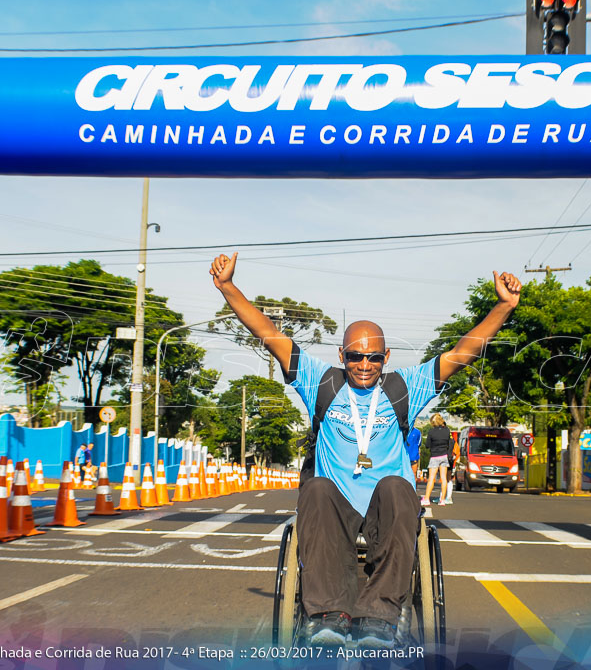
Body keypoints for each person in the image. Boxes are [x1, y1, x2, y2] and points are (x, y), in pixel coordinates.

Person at [209, 251, 521, 648]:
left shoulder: (404, 387)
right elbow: (268, 333)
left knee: (397, 486)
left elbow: (463, 352)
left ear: (386, 357)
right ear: (342, 356)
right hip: (336, 503)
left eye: (373, 356)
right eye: (355, 356)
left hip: (384, 507)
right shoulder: (319, 380)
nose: (364, 364)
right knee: (316, 488)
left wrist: (503, 306)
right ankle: (327, 614)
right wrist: (228, 287)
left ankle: (380, 615)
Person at [421, 415, 452, 506]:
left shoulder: (431, 432)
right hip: (444, 455)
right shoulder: (447, 430)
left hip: (434, 456)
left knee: (431, 478)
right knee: (443, 478)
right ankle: (442, 500)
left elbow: (427, 445)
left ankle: (426, 498)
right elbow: (449, 442)